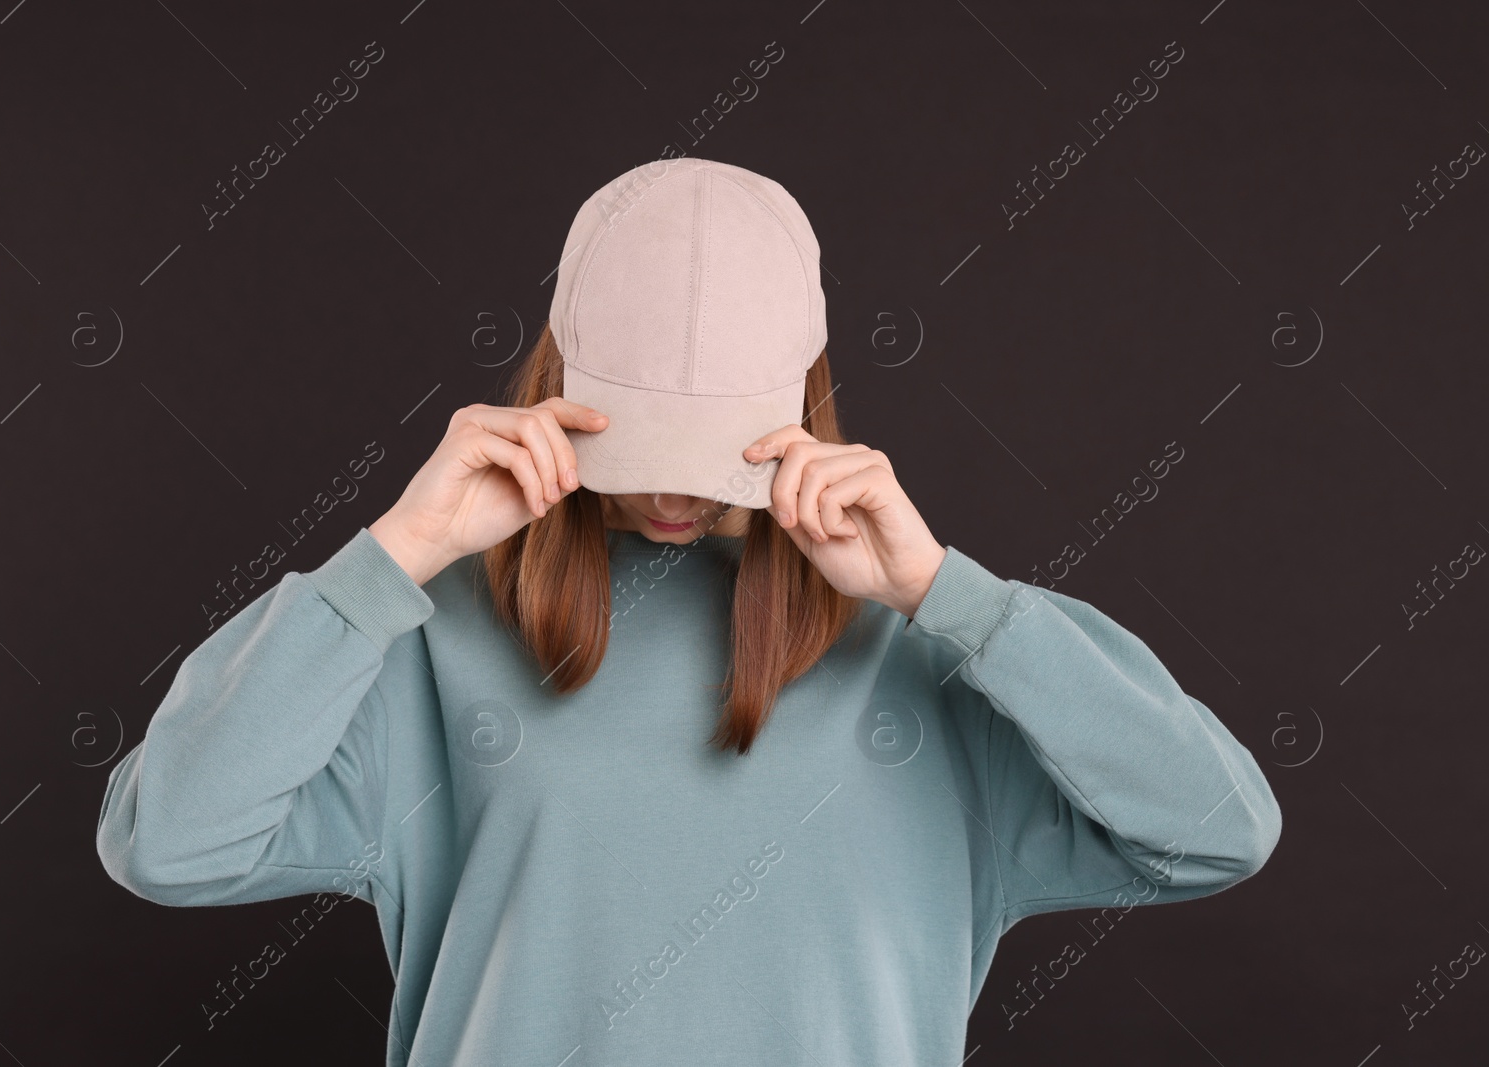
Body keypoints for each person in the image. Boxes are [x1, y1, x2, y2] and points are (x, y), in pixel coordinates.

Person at [95, 158, 1281, 1064]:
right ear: (558, 378)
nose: (672, 488)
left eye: (713, 448)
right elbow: (167, 841)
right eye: (640, 438)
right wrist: (394, 555)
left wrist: (947, 594)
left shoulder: (932, 661)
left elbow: (1218, 826)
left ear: (805, 396)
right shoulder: (426, 637)